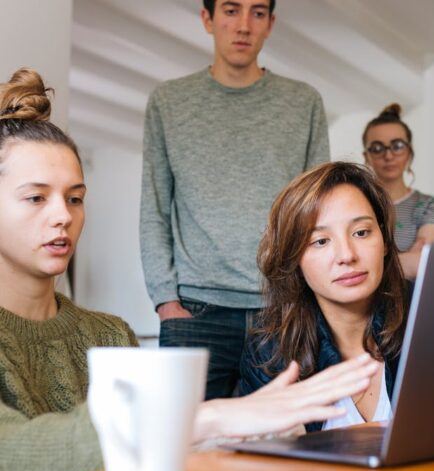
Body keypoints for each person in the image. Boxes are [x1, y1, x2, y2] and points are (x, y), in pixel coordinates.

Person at [0, 68, 376, 471]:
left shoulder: (109, 334)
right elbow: (3, 464)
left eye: (75, 198)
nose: (63, 215)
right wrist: (206, 419)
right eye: (36, 197)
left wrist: (250, 437)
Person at [139, 0, 330, 400]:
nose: (243, 25)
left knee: (279, 448)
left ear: (270, 23)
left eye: (257, 12)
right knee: (187, 448)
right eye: (230, 10)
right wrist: (165, 301)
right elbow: (153, 208)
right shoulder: (168, 102)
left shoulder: (304, 103)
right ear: (207, 19)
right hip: (193, 311)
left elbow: (318, 213)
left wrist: (310, 297)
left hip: (282, 309)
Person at [239, 162, 409, 432]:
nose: (346, 255)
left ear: (385, 241)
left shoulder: (429, 322)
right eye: (320, 241)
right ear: (294, 258)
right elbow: (262, 467)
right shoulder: (270, 353)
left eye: (361, 232)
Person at [363, 104, 434, 279]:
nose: (388, 155)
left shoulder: (428, 205)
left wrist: (365, 268)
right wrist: (403, 261)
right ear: (366, 156)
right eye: (377, 148)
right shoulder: (356, 204)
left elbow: (420, 266)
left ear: (409, 151)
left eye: (397, 145)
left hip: (409, 302)